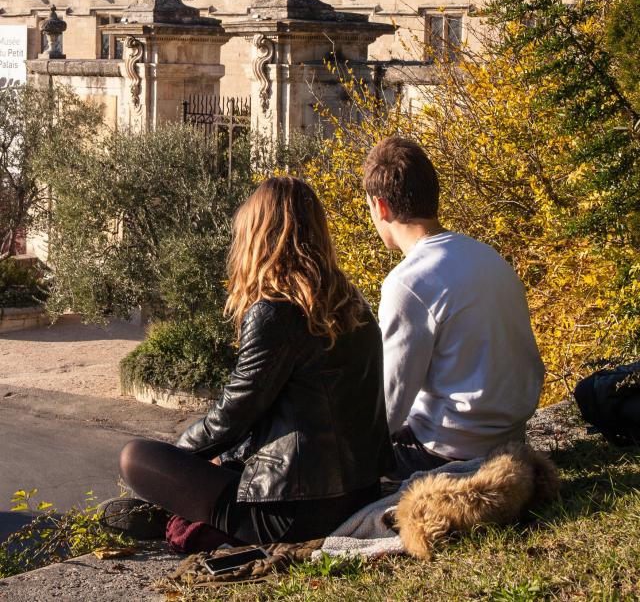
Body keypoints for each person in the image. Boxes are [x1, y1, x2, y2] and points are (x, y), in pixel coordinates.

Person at [110, 176, 393, 545]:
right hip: (358, 492)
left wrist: (180, 458)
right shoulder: (352, 303)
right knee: (204, 462)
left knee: (137, 458)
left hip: (293, 512)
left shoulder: (276, 310)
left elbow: (233, 415)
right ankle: (179, 513)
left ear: (258, 235)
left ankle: (189, 518)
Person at [363, 135, 545, 479]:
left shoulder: (408, 283)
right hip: (509, 437)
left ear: (381, 206)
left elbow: (387, 407)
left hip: (447, 452)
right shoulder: (486, 255)